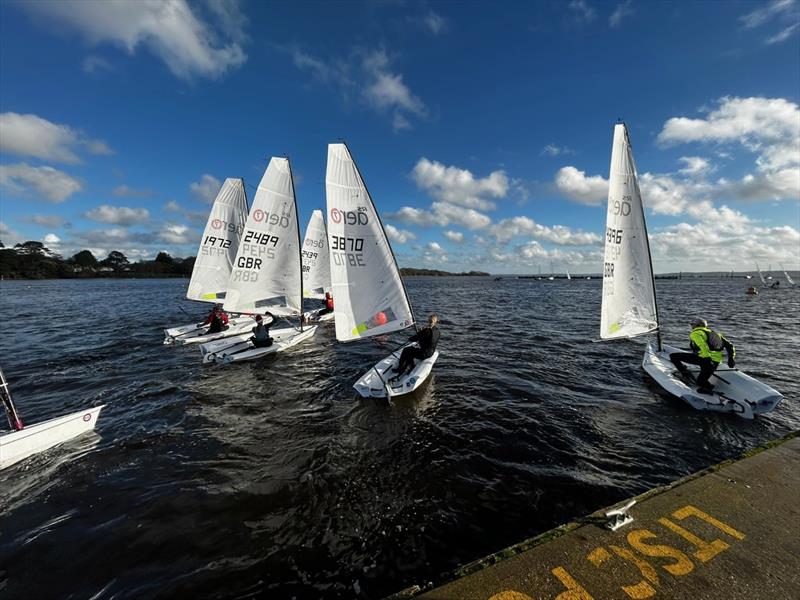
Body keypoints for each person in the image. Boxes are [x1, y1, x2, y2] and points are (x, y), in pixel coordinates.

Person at [670, 318, 735, 394]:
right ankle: (709, 387)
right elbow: (730, 346)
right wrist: (731, 359)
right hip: (715, 362)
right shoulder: (716, 334)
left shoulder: (696, 333)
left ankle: (685, 374)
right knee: (701, 382)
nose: (691, 326)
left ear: (697, 325)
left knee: (673, 356)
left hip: (704, 359)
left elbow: (703, 346)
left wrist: (707, 358)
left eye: (692, 324)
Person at [392, 314, 440, 378]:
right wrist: (422, 332)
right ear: (436, 322)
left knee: (406, 350)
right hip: (431, 353)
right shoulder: (438, 332)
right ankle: (411, 365)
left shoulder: (426, 331)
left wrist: (420, 332)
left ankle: (400, 368)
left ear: (428, 321)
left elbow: (413, 338)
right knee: (411, 350)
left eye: (429, 321)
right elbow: (430, 340)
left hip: (424, 354)